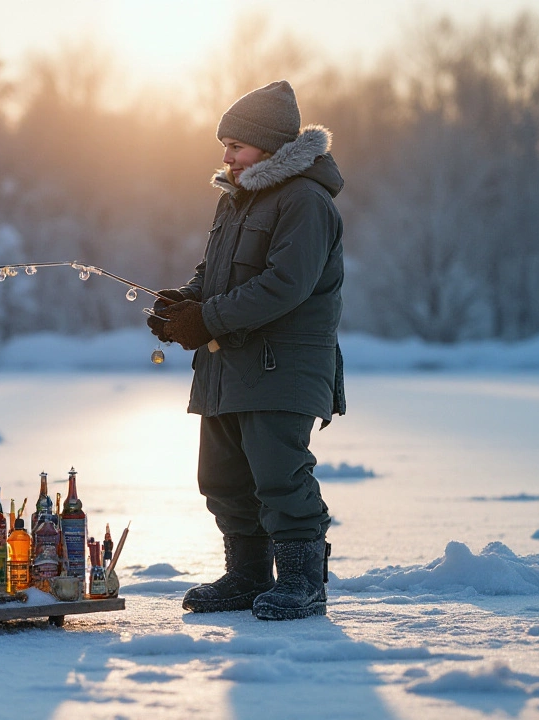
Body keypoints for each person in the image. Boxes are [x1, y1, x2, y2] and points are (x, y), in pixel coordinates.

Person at [148, 80, 345, 621]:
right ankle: (248, 575)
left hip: (282, 368)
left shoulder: (305, 201)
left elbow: (286, 285)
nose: (227, 156)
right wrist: (183, 304)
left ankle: (304, 582)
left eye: (237, 145)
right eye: (224, 146)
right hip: (226, 366)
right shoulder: (235, 200)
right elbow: (212, 275)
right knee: (222, 478)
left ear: (273, 146)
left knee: (280, 475)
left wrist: (204, 318)